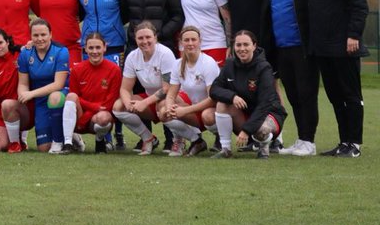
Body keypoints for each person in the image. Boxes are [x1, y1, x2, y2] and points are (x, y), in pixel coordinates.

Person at [304, 0, 369, 157]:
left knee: (351, 95)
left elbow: (359, 4)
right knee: (335, 96)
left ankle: (355, 145)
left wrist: (353, 35)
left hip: (344, 45)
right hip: (322, 47)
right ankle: (344, 142)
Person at [262, 0, 319, 156]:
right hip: (281, 48)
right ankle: (301, 139)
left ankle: (309, 141)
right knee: (293, 96)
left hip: (302, 48)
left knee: (307, 94)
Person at [208, 30, 288, 159]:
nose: (242, 49)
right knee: (222, 104)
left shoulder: (264, 67)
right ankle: (226, 149)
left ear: (254, 46)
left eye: (246, 44)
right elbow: (214, 90)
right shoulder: (229, 65)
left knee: (260, 130)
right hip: (247, 112)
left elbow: (265, 103)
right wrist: (232, 97)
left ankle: (264, 149)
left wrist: (246, 130)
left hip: (269, 112)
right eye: (238, 45)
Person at [113, 21, 176, 155]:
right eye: (140, 38)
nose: (144, 41)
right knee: (118, 106)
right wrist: (128, 104)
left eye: (148, 37)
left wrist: (144, 103)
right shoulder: (132, 56)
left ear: (155, 38)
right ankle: (148, 139)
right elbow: (124, 89)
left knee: (163, 105)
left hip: (172, 98)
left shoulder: (165, 54)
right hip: (150, 100)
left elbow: (166, 89)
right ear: (135, 39)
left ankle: (182, 140)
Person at [7, 18, 69, 153]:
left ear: (50, 35)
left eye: (43, 35)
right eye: (35, 35)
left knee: (54, 97)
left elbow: (59, 84)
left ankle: (69, 137)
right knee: (43, 148)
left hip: (60, 95)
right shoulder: (25, 54)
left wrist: (31, 94)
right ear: (31, 36)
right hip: (40, 102)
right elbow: (23, 83)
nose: (40, 38)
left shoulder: (61, 51)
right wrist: (22, 94)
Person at [158, 25, 218, 156]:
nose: (190, 43)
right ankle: (196, 141)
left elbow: (213, 99)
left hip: (212, 110)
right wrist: (169, 108)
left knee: (207, 115)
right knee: (163, 112)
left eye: (193, 40)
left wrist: (184, 110)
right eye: (186, 40)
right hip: (195, 109)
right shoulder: (178, 64)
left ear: (200, 42)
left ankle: (220, 139)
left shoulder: (208, 63)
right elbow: (171, 94)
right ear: (181, 43)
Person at [60, 32, 121, 154]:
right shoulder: (77, 69)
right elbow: (75, 96)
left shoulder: (114, 70)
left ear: (104, 48)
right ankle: (67, 143)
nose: (94, 51)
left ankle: (100, 141)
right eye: (91, 48)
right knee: (70, 96)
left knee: (104, 117)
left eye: (98, 47)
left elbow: (109, 102)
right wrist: (93, 108)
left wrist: (88, 116)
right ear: (85, 49)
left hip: (99, 117)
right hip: (82, 113)